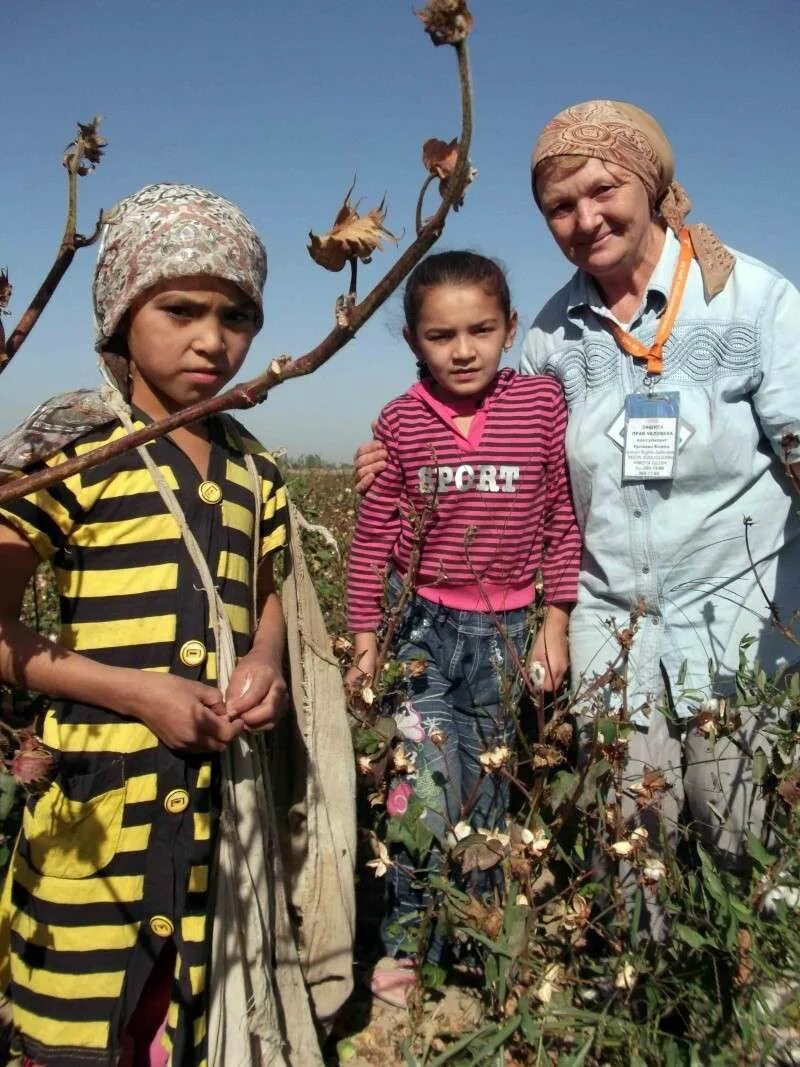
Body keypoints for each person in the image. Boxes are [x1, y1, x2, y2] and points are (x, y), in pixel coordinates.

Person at [356, 102, 800, 931]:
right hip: (606, 630)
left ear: (653, 185)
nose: (585, 218)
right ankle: (648, 1011)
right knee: (628, 834)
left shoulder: (753, 301)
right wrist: (394, 454)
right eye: (560, 207)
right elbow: (489, 435)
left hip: (740, 625)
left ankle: (755, 1019)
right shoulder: (553, 336)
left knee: (744, 831)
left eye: (604, 190)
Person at [0, 184, 289, 1066]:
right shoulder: (71, 447)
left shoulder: (254, 466)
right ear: (121, 314)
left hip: (215, 824)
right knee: (77, 1027)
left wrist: (267, 662)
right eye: (180, 309)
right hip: (96, 808)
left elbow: (267, 592)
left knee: (188, 1018)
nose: (214, 338)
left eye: (237, 314)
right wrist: (136, 693)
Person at [346, 250, 581, 1002]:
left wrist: (556, 622)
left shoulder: (541, 407)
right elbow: (373, 535)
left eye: (481, 329)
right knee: (423, 790)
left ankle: (474, 929)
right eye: (441, 334)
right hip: (422, 628)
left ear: (510, 329)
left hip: (508, 631)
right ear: (414, 340)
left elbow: (561, 522)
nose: (463, 348)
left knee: (488, 795)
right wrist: (364, 638)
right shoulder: (400, 421)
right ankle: (409, 941)